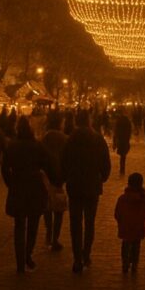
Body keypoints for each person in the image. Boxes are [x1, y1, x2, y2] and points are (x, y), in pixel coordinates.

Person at [61, 111, 112, 273]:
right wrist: (102, 177)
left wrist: (65, 177)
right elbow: (106, 163)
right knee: (89, 222)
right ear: (89, 121)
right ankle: (86, 254)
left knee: (75, 223)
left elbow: (63, 161)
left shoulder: (70, 139)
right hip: (92, 185)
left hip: (75, 185)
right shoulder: (97, 138)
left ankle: (77, 258)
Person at [1, 116, 52, 274]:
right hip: (35, 187)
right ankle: (28, 254)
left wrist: (11, 182)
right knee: (33, 224)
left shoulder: (12, 146)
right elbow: (47, 164)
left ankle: (20, 261)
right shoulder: (37, 145)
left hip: (18, 186)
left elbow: (4, 168)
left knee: (19, 225)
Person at [114, 172, 145, 274]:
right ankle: (135, 264)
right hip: (138, 227)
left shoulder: (122, 198)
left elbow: (117, 213)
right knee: (136, 245)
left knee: (125, 244)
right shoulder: (143, 198)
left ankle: (125, 262)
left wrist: (120, 221)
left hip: (125, 227)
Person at [41, 113, 68, 251]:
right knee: (58, 208)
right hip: (58, 177)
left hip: (47, 176)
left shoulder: (45, 137)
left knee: (48, 206)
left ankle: (49, 232)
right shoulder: (64, 138)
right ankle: (55, 238)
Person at [113, 110, 133, 177]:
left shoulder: (119, 121)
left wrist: (115, 141)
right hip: (125, 140)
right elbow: (130, 131)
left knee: (122, 155)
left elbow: (116, 131)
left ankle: (122, 169)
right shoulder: (128, 121)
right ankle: (122, 169)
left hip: (120, 139)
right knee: (123, 155)